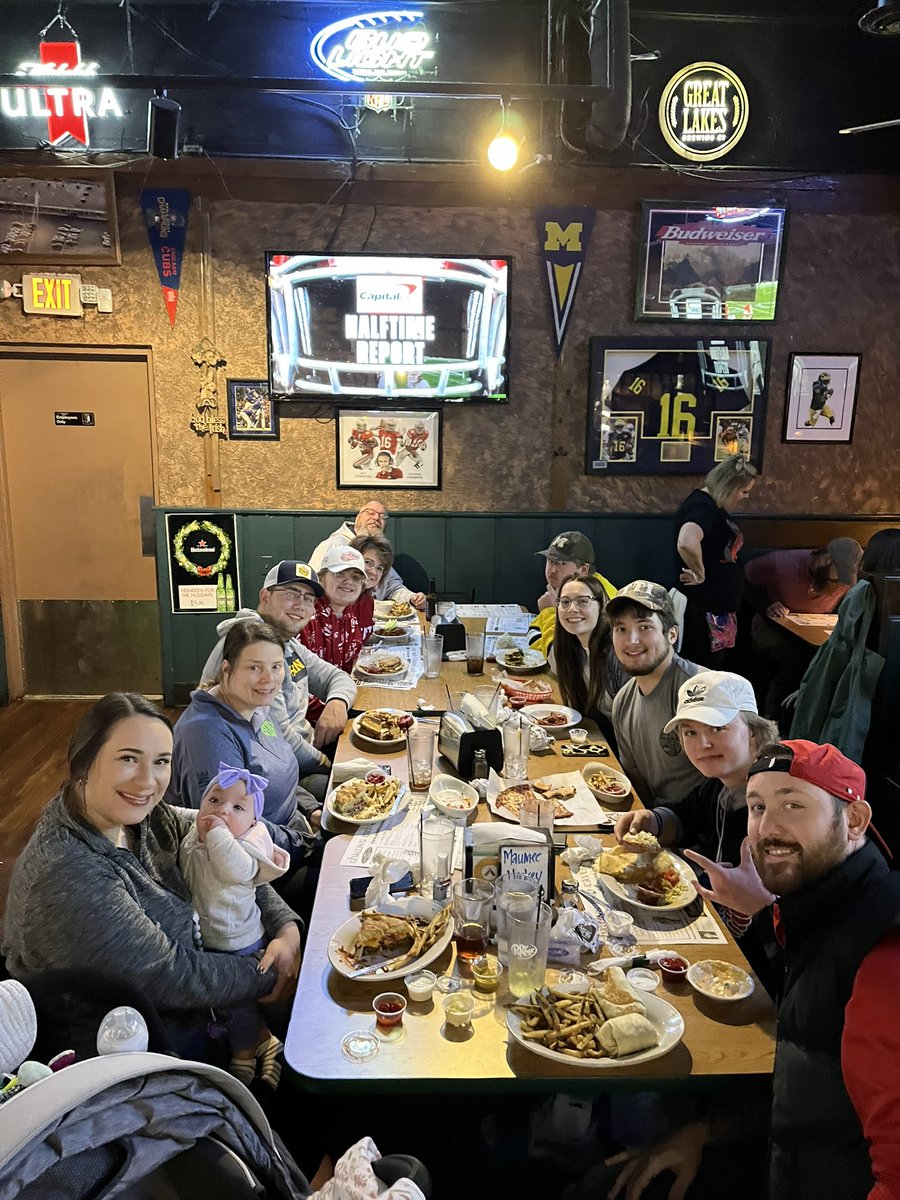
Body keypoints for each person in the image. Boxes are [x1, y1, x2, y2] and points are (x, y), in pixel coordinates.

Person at [606, 739, 900, 1200]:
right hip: (777, 1155)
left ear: (855, 820)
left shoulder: (881, 954)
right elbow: (805, 1083)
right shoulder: (816, 910)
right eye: (758, 807)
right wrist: (703, 1132)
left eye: (794, 804)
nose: (768, 827)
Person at [2, 693, 301, 1058]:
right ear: (83, 762)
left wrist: (286, 929)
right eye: (128, 759)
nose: (147, 781)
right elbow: (173, 974)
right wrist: (273, 972)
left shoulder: (145, 817)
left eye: (161, 762)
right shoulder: (67, 873)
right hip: (134, 1058)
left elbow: (227, 851)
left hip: (206, 1006)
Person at [614, 670, 778, 984]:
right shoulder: (720, 786)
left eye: (718, 728)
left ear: (755, 734)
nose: (702, 743)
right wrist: (653, 820)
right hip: (714, 942)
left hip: (760, 982)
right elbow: (686, 819)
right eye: (689, 732)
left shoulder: (779, 811)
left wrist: (763, 906)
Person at [200, 560, 356, 797]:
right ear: (265, 596)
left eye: (308, 599)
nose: (300, 605)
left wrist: (337, 702)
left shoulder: (286, 642)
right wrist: (328, 763)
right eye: (292, 593)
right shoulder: (251, 647)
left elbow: (336, 677)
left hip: (300, 753)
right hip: (265, 778)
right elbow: (280, 741)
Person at [174, 620, 322, 861]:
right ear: (226, 668)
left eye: (276, 667)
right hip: (255, 859)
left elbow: (277, 773)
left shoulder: (256, 707)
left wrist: (313, 811)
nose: (269, 679)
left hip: (291, 830)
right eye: (254, 668)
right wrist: (309, 845)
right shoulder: (206, 734)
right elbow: (230, 829)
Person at [180, 763, 288, 1087]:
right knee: (229, 1006)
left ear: (253, 823)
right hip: (210, 936)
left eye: (238, 808)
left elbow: (235, 871)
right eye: (214, 800)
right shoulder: (194, 832)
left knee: (236, 1002)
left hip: (239, 939)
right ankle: (265, 1039)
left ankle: (244, 1050)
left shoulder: (246, 847)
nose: (223, 811)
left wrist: (216, 834)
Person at [607, 580, 704, 808]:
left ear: (672, 634)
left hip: (704, 833)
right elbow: (637, 779)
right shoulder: (622, 701)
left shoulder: (698, 690)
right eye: (621, 629)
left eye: (644, 627)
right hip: (659, 824)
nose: (631, 640)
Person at [745, 538, 863, 716]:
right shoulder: (779, 563)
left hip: (814, 630)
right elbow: (744, 582)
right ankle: (774, 715)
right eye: (835, 578)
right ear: (825, 558)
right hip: (773, 625)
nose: (838, 584)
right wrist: (767, 605)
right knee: (794, 659)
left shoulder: (844, 581)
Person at [674, 452, 758, 668]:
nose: (746, 496)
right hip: (703, 612)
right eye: (744, 491)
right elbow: (686, 540)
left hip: (715, 610)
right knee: (704, 672)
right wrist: (700, 573)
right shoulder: (702, 508)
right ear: (728, 487)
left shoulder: (710, 506)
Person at [549, 575, 627, 746]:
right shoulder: (563, 649)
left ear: (602, 606)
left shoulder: (617, 654)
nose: (572, 609)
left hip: (626, 749)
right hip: (597, 738)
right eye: (565, 602)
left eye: (583, 601)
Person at [300, 546, 373, 721]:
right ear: (322, 578)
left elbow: (349, 670)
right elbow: (296, 690)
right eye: (339, 574)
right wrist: (341, 711)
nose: (349, 581)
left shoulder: (349, 615)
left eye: (356, 577)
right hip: (310, 720)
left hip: (341, 704)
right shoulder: (304, 616)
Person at [309, 502, 425, 609]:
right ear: (358, 517)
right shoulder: (334, 545)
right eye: (370, 512)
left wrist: (412, 598)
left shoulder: (379, 553)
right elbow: (313, 584)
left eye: (382, 516)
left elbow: (392, 586)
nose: (376, 518)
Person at [528, 531, 616, 658]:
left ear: (583, 570)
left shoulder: (599, 601)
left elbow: (562, 658)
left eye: (561, 563)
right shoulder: (570, 589)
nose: (552, 570)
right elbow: (534, 642)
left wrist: (550, 612)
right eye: (550, 561)